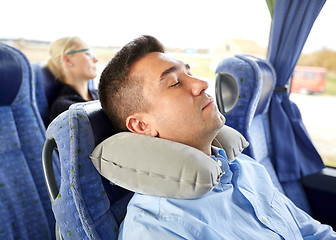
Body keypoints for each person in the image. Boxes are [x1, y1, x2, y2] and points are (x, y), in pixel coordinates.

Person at [98, 35, 336, 239]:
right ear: (141, 125)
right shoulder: (157, 227)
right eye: (174, 83)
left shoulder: (245, 167)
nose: (202, 83)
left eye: (189, 72)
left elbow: (312, 233)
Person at [47, 36, 99, 122]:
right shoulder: (66, 109)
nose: (96, 59)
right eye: (88, 53)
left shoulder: (98, 94)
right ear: (67, 60)